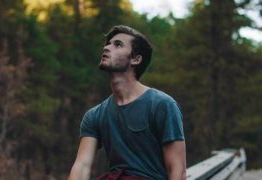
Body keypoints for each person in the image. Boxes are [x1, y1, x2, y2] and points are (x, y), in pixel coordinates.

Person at [68, 25, 186, 180]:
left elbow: (177, 170)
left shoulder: (162, 105)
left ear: (135, 59)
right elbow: (81, 167)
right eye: (108, 44)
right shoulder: (94, 115)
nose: (107, 48)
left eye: (117, 45)